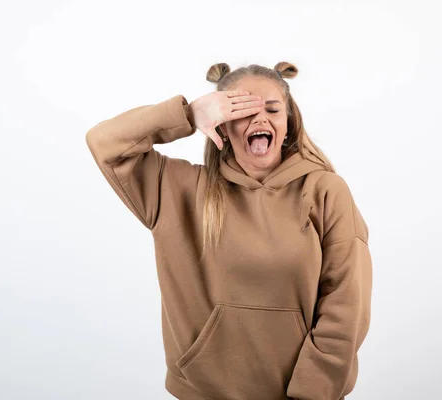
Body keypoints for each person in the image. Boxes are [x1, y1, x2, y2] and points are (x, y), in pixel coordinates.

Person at [85, 61, 373, 400]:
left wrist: (313, 391)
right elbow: (104, 143)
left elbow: (346, 303)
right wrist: (189, 115)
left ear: (288, 122)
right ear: (221, 126)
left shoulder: (325, 190)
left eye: (272, 109)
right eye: (242, 109)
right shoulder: (179, 189)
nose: (260, 119)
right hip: (203, 392)